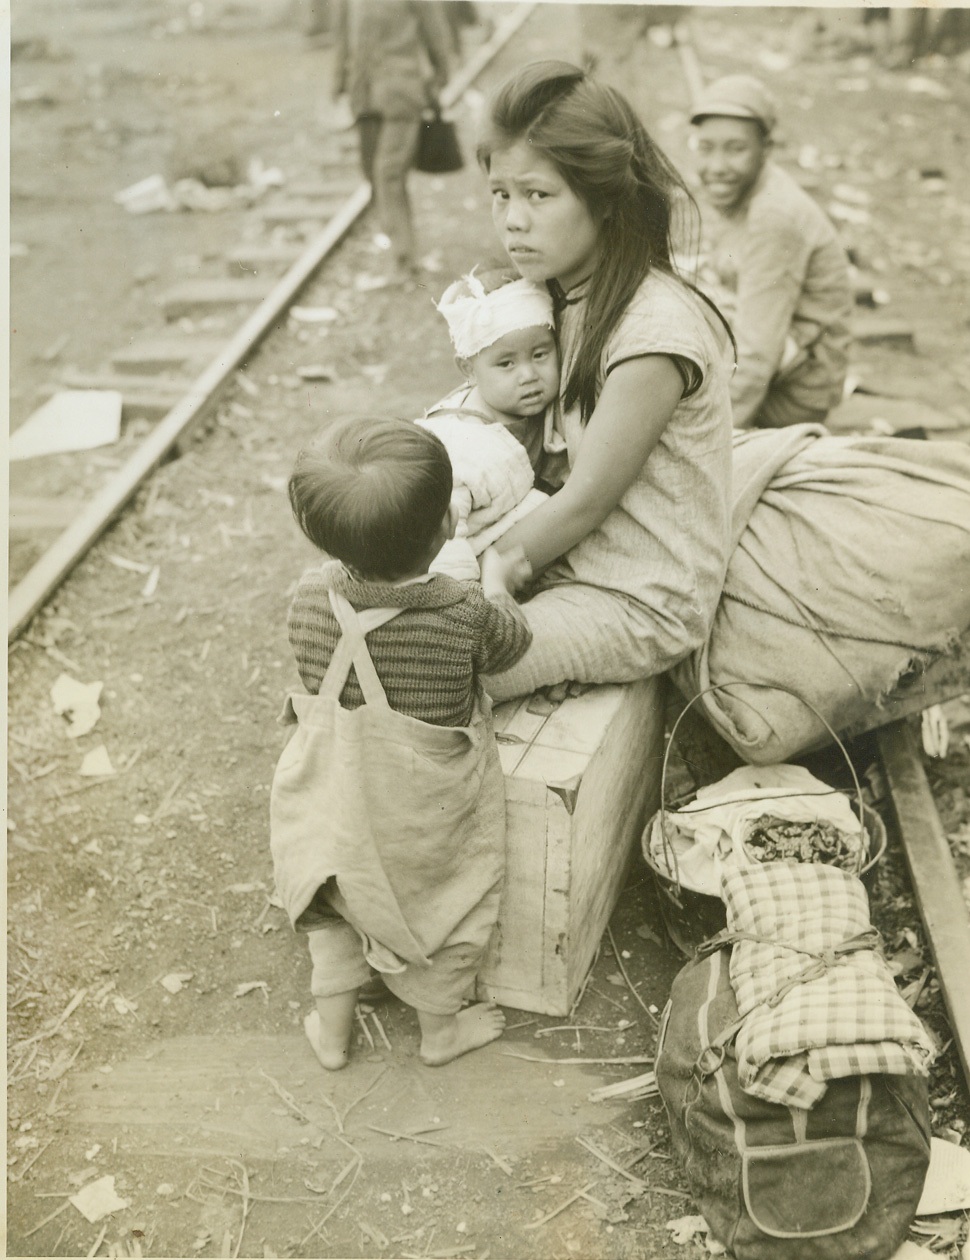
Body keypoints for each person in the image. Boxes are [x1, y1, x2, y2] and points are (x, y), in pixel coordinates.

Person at [270, 416, 532, 1070]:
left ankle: (332, 1037)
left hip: (331, 795)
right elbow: (512, 648)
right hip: (418, 807)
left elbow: (314, 673)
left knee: (333, 905)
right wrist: (498, 583)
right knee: (441, 908)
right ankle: (440, 1034)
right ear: (447, 525)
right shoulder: (463, 613)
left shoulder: (308, 596)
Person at [474, 60, 735, 703]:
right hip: (573, 561)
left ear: (607, 199)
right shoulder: (560, 292)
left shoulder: (652, 330)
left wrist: (487, 571)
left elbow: (588, 498)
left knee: (429, 668)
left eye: (538, 195)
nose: (512, 220)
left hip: (638, 598)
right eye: (501, 194)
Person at [687, 74, 853, 429]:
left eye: (736, 148)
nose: (716, 166)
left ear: (766, 149)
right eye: (706, 147)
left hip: (793, 393)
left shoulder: (774, 217)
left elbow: (757, 356)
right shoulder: (743, 195)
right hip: (777, 358)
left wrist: (711, 438)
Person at [332, 0, 453, 283]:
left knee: (388, 173)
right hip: (363, 95)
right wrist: (338, 84)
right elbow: (343, 38)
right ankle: (403, 252)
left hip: (401, 92)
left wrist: (440, 75)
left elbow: (435, 30)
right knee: (377, 176)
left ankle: (403, 260)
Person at [429, 266, 560, 471]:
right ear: (468, 370)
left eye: (539, 355)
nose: (528, 375)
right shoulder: (465, 436)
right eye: (506, 363)